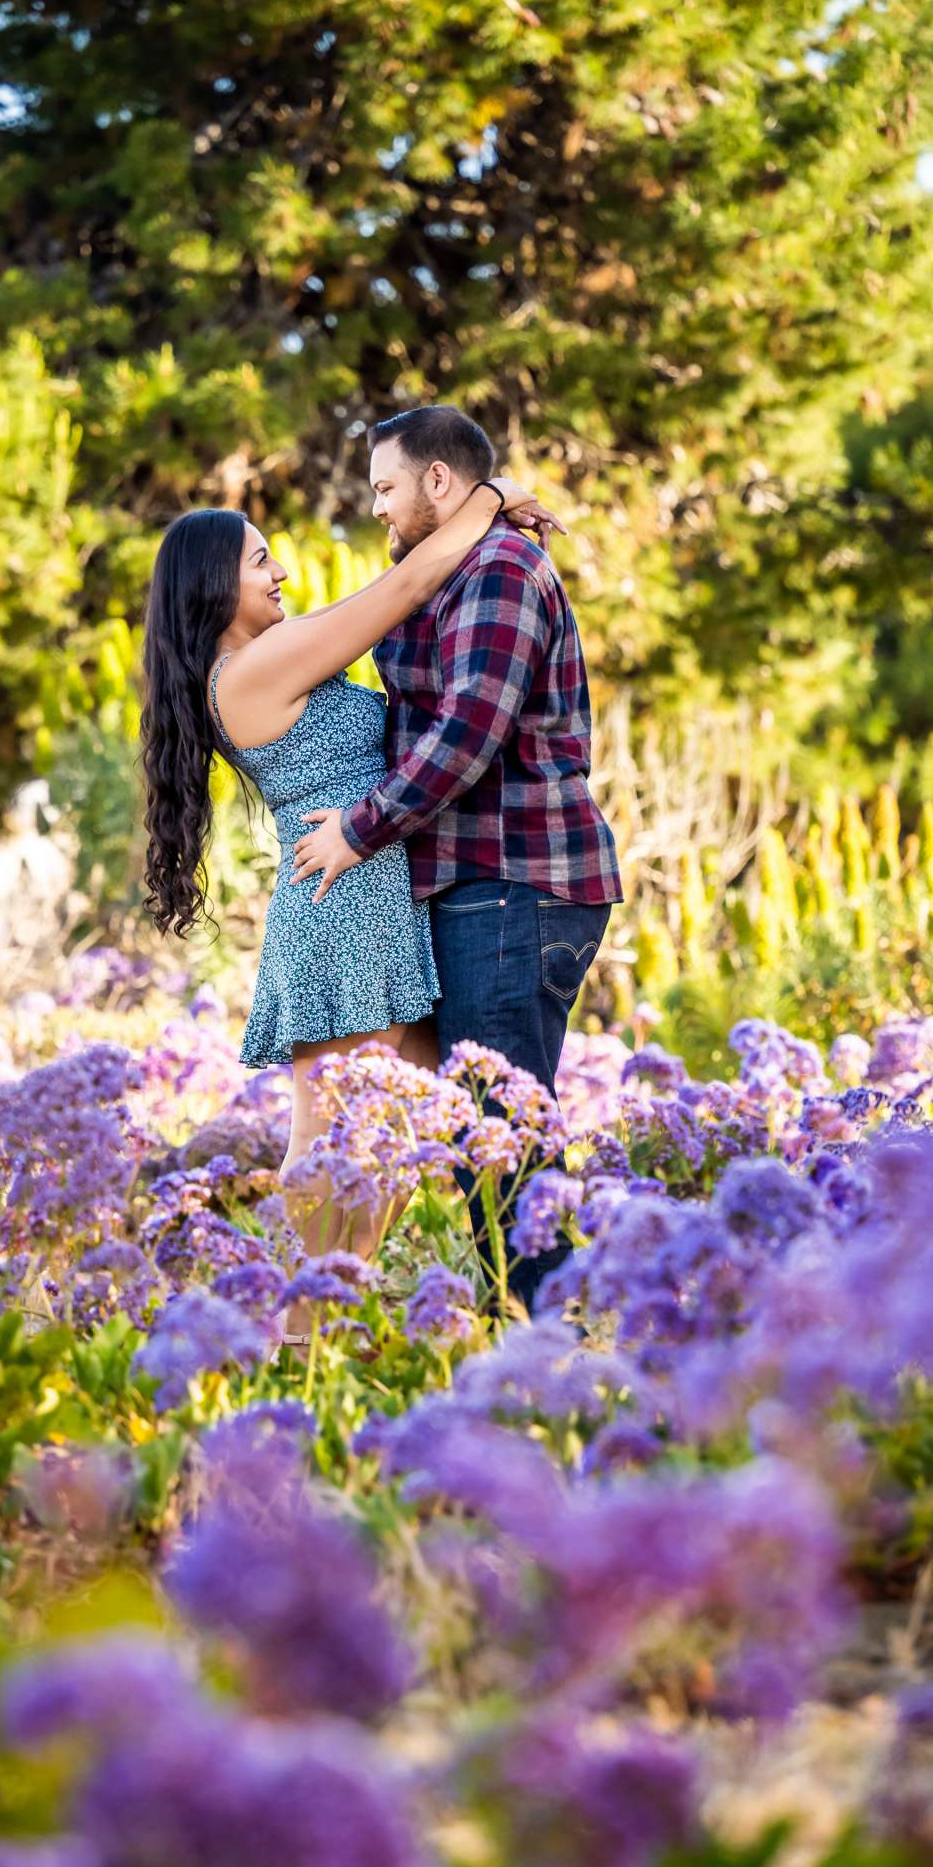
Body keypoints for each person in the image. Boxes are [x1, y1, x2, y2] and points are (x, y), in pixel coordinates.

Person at [140, 473, 559, 1283]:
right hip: (341, 912)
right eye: (261, 562)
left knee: (421, 1124)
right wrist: (490, 496)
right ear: (214, 586)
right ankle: (303, 1333)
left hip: (371, 902)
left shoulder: (258, 667)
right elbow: (403, 587)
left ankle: (353, 1305)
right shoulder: (253, 668)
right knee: (336, 1143)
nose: (280, 574)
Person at [289, 404, 622, 1311]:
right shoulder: (450, 566)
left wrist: (359, 831)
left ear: (439, 482)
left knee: (503, 1135)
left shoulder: (504, 569)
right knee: (492, 1130)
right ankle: (531, 1329)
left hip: (515, 882)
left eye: (388, 487)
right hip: (478, 883)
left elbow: (469, 728)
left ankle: (547, 1340)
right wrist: (493, 500)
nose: (379, 508)